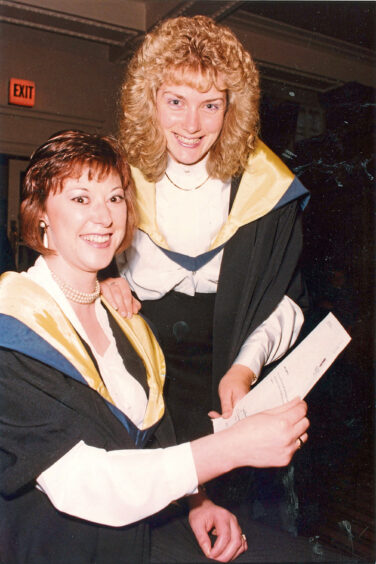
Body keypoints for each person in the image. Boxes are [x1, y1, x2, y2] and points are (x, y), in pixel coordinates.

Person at [0, 130, 323, 564]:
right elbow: (85, 483)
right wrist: (231, 449)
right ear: (40, 216)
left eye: (115, 198)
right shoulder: (13, 327)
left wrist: (197, 500)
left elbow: (149, 440)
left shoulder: (126, 321)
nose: (104, 217)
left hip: (142, 527)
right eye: (80, 199)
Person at [100, 15, 310, 519]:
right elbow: (77, 261)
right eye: (176, 101)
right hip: (140, 369)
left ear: (230, 108)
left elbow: (290, 300)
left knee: (237, 521)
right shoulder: (115, 176)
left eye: (210, 105)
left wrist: (246, 365)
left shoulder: (267, 188)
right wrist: (102, 281)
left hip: (231, 369)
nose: (192, 126)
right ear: (150, 100)